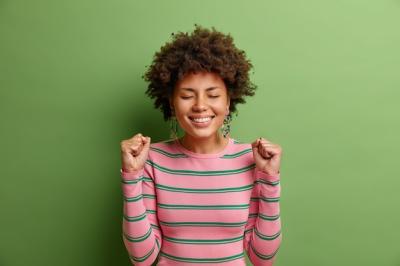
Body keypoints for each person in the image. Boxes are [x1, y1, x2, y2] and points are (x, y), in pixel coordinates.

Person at [119, 25, 283, 266]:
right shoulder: (151, 159)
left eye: (213, 95)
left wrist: (270, 180)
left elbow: (263, 258)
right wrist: (131, 177)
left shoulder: (253, 159)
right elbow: (142, 258)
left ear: (229, 102)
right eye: (187, 96)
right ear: (172, 104)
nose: (200, 105)